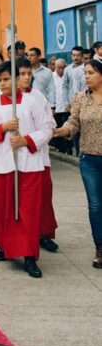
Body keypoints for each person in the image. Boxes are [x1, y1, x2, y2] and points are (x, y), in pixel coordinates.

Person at [0, 61, 53, 279]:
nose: (3, 84)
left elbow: (47, 128)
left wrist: (26, 140)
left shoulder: (32, 102)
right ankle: (3, 244)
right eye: (0, 80)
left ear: (15, 79)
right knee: (3, 208)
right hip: (4, 164)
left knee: (28, 211)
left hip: (29, 165)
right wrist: (2, 128)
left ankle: (29, 255)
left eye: (7, 79)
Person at [53, 57, 102, 268]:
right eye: (85, 73)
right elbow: (72, 124)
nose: (87, 77)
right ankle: (100, 248)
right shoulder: (81, 98)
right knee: (95, 206)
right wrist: (56, 131)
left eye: (90, 73)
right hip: (89, 160)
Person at [16, 60, 59, 254]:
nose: (26, 77)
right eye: (22, 74)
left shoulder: (38, 96)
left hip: (38, 156)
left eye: (28, 73)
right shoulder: (4, 97)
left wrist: (30, 140)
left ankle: (44, 233)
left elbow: (50, 126)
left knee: (42, 197)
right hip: (14, 158)